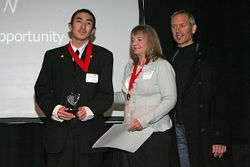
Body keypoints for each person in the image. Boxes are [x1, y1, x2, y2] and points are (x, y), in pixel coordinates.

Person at [34, 8, 114, 167]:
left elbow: (106, 94)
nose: (83, 27)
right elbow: (41, 90)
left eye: (88, 23)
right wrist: (55, 110)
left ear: (93, 30)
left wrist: (90, 110)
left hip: (90, 136)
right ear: (70, 26)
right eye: (79, 21)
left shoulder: (103, 56)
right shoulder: (53, 56)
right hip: (58, 136)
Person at [170, 10, 232, 167]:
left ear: (194, 28)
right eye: (174, 27)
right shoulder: (170, 58)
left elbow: (221, 97)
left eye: (182, 25)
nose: (177, 31)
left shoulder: (210, 56)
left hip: (203, 128)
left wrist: (220, 136)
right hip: (178, 129)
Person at [114, 24, 177, 167]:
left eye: (139, 39)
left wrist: (144, 120)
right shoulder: (130, 67)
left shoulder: (161, 66)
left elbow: (170, 99)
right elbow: (127, 96)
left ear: (151, 41)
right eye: (132, 40)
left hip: (155, 132)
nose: (134, 44)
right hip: (132, 132)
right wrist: (102, 96)